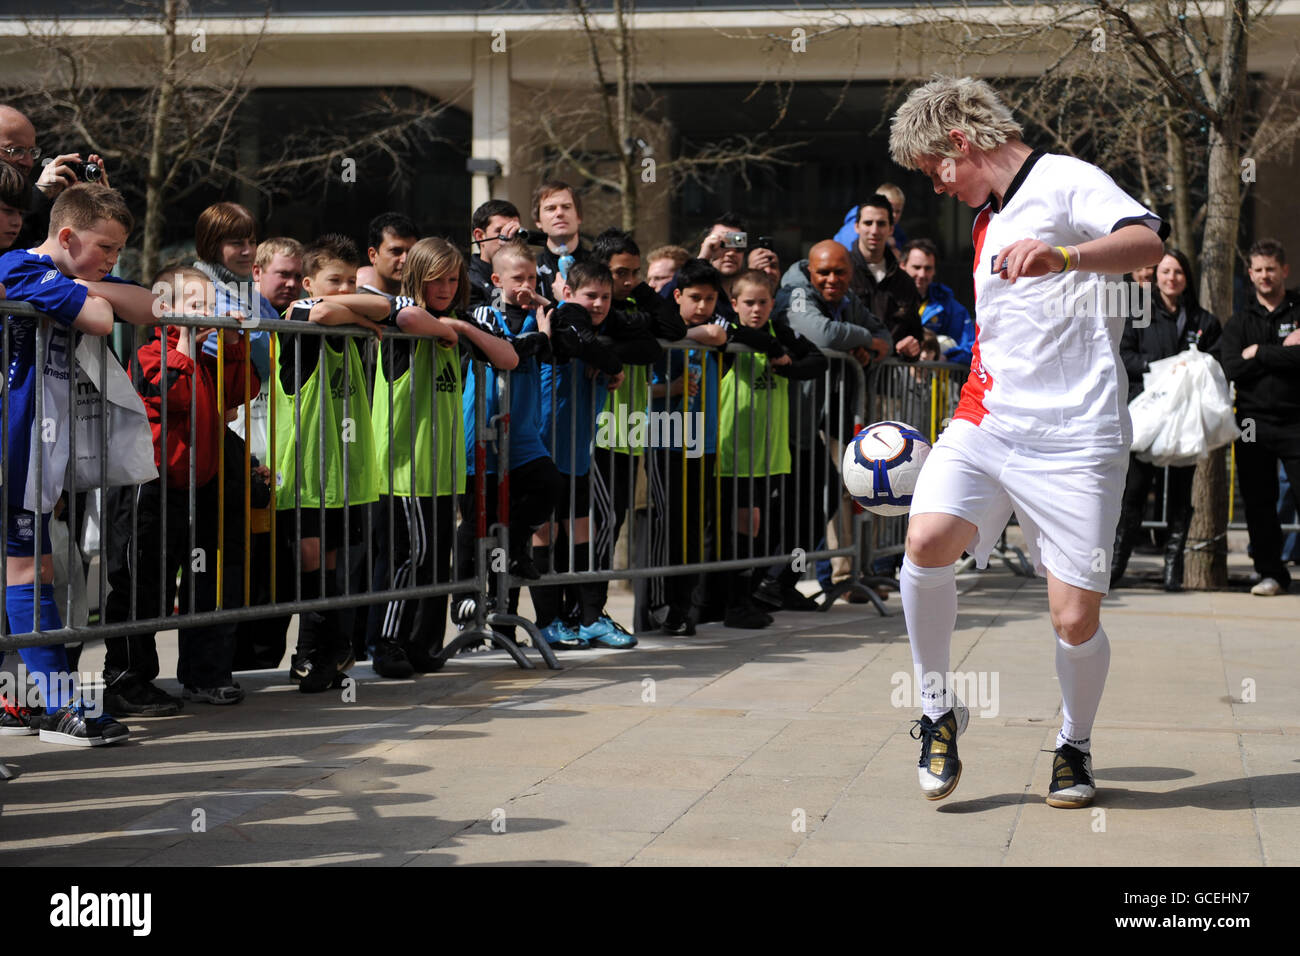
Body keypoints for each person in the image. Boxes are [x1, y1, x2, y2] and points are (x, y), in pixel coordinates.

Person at [889, 75, 1165, 808]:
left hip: (1079, 437)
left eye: (933, 172)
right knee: (925, 541)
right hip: (990, 421)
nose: (937, 189)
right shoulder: (987, 223)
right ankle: (936, 709)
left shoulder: (1067, 180)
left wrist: (1065, 257)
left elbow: (1146, 241)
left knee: (1073, 619)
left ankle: (1074, 746)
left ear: (958, 144)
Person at [0, 183, 162, 743]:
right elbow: (99, 319)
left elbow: (147, 304)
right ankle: (61, 705)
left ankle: (27, 699)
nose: (114, 260)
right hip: (15, 442)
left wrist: (91, 282)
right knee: (28, 572)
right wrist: (92, 292)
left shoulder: (69, 274)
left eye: (119, 251)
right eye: (106, 247)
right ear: (66, 235)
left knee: (39, 571)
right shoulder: (19, 265)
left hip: (41, 447)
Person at [104, 267, 258, 708]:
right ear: (164, 309)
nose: (207, 314)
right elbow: (176, 396)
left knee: (203, 581)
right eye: (196, 306)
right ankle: (126, 679)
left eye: (211, 306)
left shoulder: (205, 358)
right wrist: (187, 341)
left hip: (198, 487)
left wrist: (230, 345)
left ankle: (203, 674)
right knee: (142, 585)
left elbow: (242, 390)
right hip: (150, 488)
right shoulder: (152, 354)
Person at [368, 238, 517, 677]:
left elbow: (507, 356)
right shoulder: (401, 318)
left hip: (442, 469)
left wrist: (465, 330)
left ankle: (422, 644)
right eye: (437, 279)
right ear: (417, 277)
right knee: (409, 556)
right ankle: (386, 643)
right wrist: (449, 327)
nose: (447, 287)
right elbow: (412, 316)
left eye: (453, 279)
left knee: (435, 561)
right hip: (403, 468)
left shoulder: (459, 323)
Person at [273, 234, 386, 692]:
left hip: (347, 475)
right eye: (333, 281)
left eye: (349, 282)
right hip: (304, 473)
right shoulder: (300, 316)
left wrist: (361, 312)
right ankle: (309, 654)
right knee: (312, 567)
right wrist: (362, 312)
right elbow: (318, 311)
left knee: (337, 571)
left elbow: (389, 306)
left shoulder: (350, 325)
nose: (342, 290)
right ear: (307, 282)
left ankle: (333, 653)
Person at [454, 240, 566, 637]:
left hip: (520, 432)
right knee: (477, 518)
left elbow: (566, 342)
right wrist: (539, 337)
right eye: (518, 278)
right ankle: (464, 600)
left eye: (532, 277)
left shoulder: (541, 314)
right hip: (481, 428)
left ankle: (514, 547)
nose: (525, 285)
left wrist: (546, 310)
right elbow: (510, 351)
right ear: (497, 279)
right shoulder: (484, 311)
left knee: (549, 485)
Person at [776, 240, 891, 600]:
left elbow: (885, 337)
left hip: (818, 420)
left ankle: (782, 585)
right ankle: (774, 584)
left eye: (839, 272)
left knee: (820, 500)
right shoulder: (795, 292)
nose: (831, 279)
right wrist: (862, 340)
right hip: (786, 423)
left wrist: (870, 343)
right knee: (793, 507)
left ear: (851, 273)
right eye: (823, 272)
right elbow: (819, 332)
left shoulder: (848, 300)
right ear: (810, 270)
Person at [719, 270, 827, 626]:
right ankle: (732, 603)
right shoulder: (729, 332)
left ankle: (753, 594)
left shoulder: (778, 332)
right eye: (748, 303)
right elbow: (730, 333)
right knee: (743, 525)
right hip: (734, 451)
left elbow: (817, 361)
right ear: (734, 303)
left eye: (763, 302)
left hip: (772, 454)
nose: (756, 309)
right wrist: (770, 349)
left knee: (761, 529)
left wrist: (786, 367)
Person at [532, 260, 631, 648]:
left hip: (578, 451)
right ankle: (546, 622)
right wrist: (608, 362)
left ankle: (590, 619)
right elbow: (575, 342)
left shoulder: (600, 333)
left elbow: (647, 345)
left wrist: (610, 362)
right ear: (568, 293)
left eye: (606, 297)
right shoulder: (558, 322)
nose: (599, 303)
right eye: (591, 295)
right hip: (541, 449)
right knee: (544, 533)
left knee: (583, 532)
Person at [1113, 248, 1221, 591]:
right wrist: (1157, 368)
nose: (1171, 278)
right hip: (1146, 416)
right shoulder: (1137, 313)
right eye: (1165, 272)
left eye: (1178, 272)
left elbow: (1216, 363)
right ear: (1155, 276)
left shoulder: (1204, 320)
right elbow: (1124, 355)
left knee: (1179, 494)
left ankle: (1173, 571)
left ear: (1186, 277)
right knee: (1133, 494)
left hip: (1186, 422)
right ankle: (1116, 566)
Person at [589, 229, 680, 635]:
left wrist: (642, 292)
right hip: (594, 432)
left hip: (628, 431)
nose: (627, 281)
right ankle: (586, 612)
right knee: (599, 525)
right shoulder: (594, 305)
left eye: (635, 272)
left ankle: (594, 611)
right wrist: (636, 336)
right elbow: (620, 342)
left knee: (614, 522)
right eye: (620, 273)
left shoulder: (632, 302)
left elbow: (671, 331)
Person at [649, 259, 731, 636]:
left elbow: (719, 334)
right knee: (666, 526)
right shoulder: (665, 331)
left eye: (709, 298)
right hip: (665, 439)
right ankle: (658, 608)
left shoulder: (702, 328)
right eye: (694, 297)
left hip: (703, 440)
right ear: (678, 295)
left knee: (694, 526)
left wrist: (692, 333)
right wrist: (673, 389)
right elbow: (645, 389)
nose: (702, 305)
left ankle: (685, 609)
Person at [1220, 238, 1300, 597]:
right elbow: (1233, 367)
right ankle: (1271, 572)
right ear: (1250, 275)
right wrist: (1282, 353)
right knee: (1259, 501)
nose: (1265, 276)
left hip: (1296, 421)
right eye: (1258, 270)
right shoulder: (1240, 321)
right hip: (1252, 423)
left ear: (1283, 270)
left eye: (1271, 268)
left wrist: (1260, 354)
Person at [0, 104, 113, 250]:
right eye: (16, 151)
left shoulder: (45, 206)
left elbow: (79, 266)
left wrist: (95, 212)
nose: (28, 162)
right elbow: (12, 261)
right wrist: (39, 195)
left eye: (32, 152)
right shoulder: (37, 202)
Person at [848, 193, 924, 357]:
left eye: (881, 224)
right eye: (868, 223)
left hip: (888, 378)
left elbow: (916, 337)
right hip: (844, 376)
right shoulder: (841, 271)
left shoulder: (904, 282)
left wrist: (911, 348)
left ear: (891, 229)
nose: (874, 230)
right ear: (856, 226)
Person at [901, 238, 976, 366]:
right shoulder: (887, 297)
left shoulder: (947, 304)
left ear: (935, 270)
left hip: (934, 381)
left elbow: (970, 347)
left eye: (928, 268)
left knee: (944, 342)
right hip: (894, 379)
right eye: (916, 267)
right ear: (902, 266)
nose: (922, 274)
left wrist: (944, 358)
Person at [533, 181, 588, 302]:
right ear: (538, 221)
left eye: (566, 207)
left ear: (579, 216)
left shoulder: (598, 264)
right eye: (550, 208)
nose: (559, 213)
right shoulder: (531, 270)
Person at [468, 199, 523, 309]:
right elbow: (496, 318)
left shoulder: (526, 275)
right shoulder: (467, 281)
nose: (510, 237)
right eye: (500, 231)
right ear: (480, 236)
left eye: (514, 232)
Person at [361, 212, 417, 297]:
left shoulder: (426, 302)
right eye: (395, 251)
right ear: (373, 255)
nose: (405, 259)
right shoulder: (352, 301)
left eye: (412, 253)